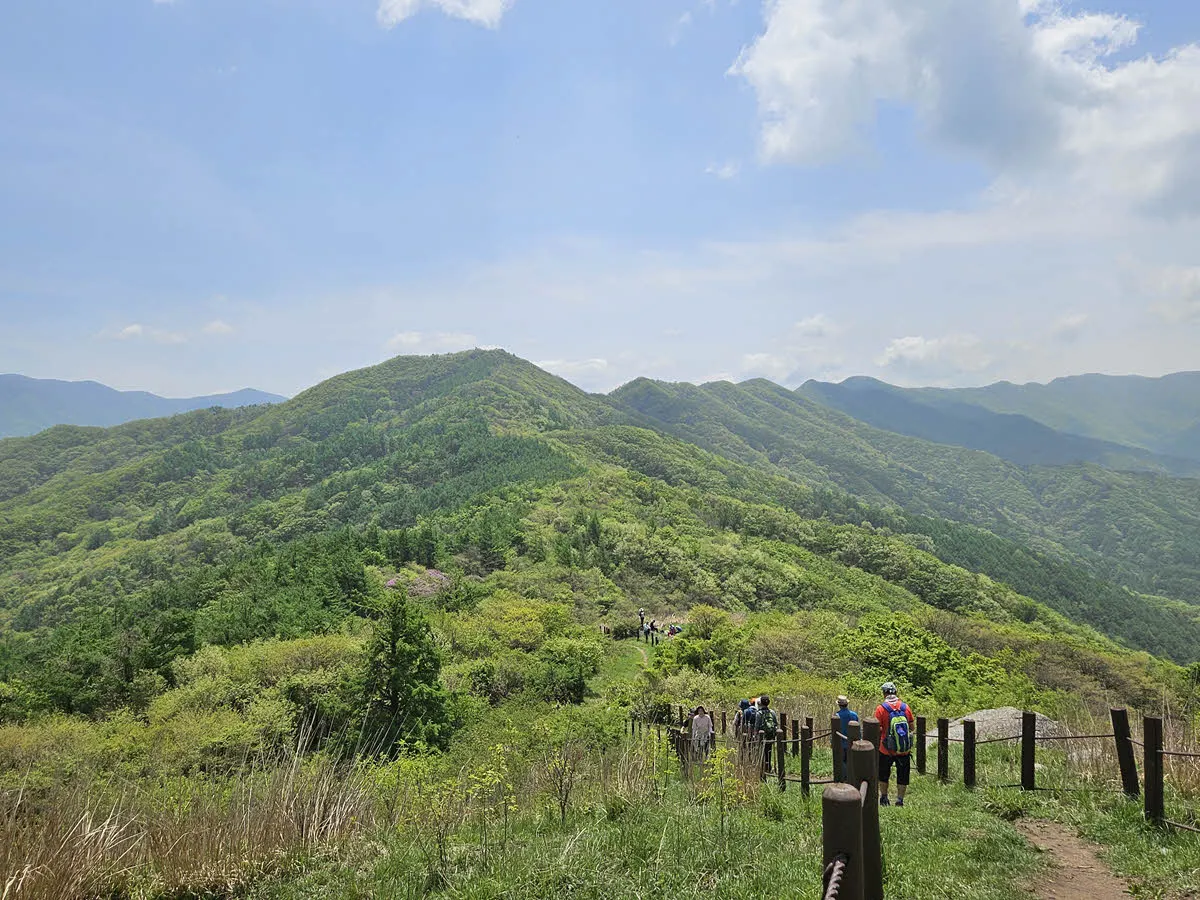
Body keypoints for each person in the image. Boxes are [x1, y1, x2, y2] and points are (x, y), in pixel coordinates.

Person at [874, 682, 914, 807]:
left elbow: (876, 728)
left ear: (884, 693)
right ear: (896, 692)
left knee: (884, 773)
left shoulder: (881, 708)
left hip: (886, 748)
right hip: (903, 749)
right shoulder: (905, 707)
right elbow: (912, 727)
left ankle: (884, 798)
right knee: (903, 774)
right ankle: (900, 800)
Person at [836, 695, 859, 768]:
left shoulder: (837, 716)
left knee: (842, 762)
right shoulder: (854, 715)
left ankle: (844, 777)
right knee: (852, 762)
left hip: (841, 743)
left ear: (839, 705)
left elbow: (835, 730)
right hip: (853, 742)